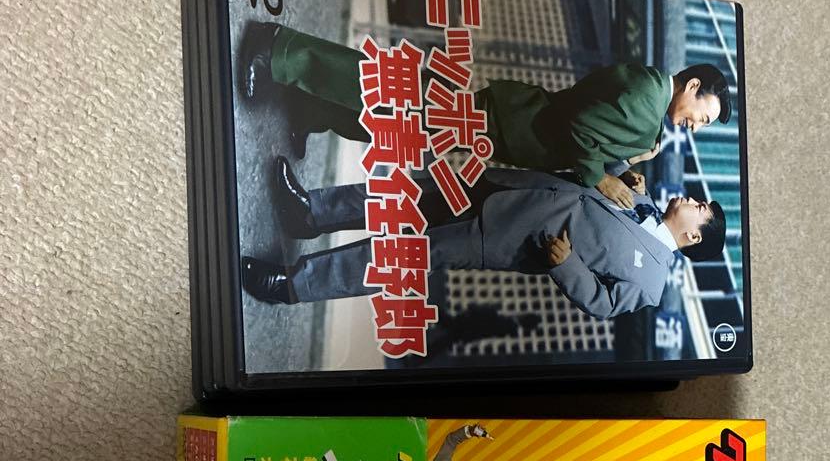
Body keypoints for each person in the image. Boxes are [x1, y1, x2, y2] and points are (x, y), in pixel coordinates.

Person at [240, 19, 730, 205]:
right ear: (692, 86)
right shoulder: (648, 99)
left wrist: (624, 168)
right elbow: (581, 128)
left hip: (509, 127)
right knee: (398, 96)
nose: (694, 126)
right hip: (509, 122)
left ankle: (312, 108)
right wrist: (601, 178)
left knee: (402, 127)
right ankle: (280, 48)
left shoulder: (650, 103)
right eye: (702, 116)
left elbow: (598, 131)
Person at [241, 167, 726, 322]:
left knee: (400, 256)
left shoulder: (651, 283)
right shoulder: (642, 197)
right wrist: (621, 171)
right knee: (405, 193)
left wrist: (568, 266)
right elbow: (591, 179)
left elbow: (602, 302)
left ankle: (293, 284)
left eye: (699, 207)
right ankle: (311, 211)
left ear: (694, 236)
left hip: (504, 237)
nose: (690, 199)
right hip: (508, 185)